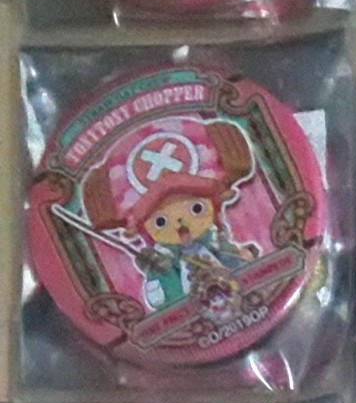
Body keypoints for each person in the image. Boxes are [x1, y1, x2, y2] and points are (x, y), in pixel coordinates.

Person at [78, 117, 262, 315]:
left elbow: (229, 256)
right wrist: (156, 280)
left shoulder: (214, 239)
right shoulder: (164, 258)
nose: (181, 223)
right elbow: (162, 288)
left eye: (196, 209)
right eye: (161, 221)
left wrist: (241, 257)